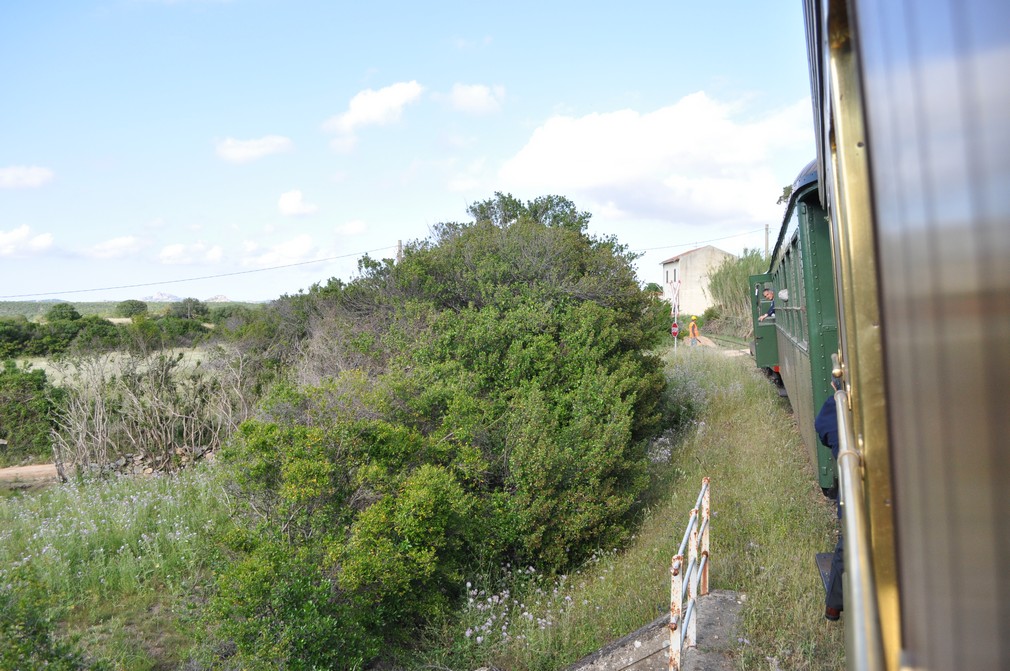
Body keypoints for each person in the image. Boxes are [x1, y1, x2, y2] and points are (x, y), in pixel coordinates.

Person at [816, 377, 844, 621]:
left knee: (848, 544)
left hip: (858, 482)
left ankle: (833, 605)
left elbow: (824, 429)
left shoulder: (838, 404)